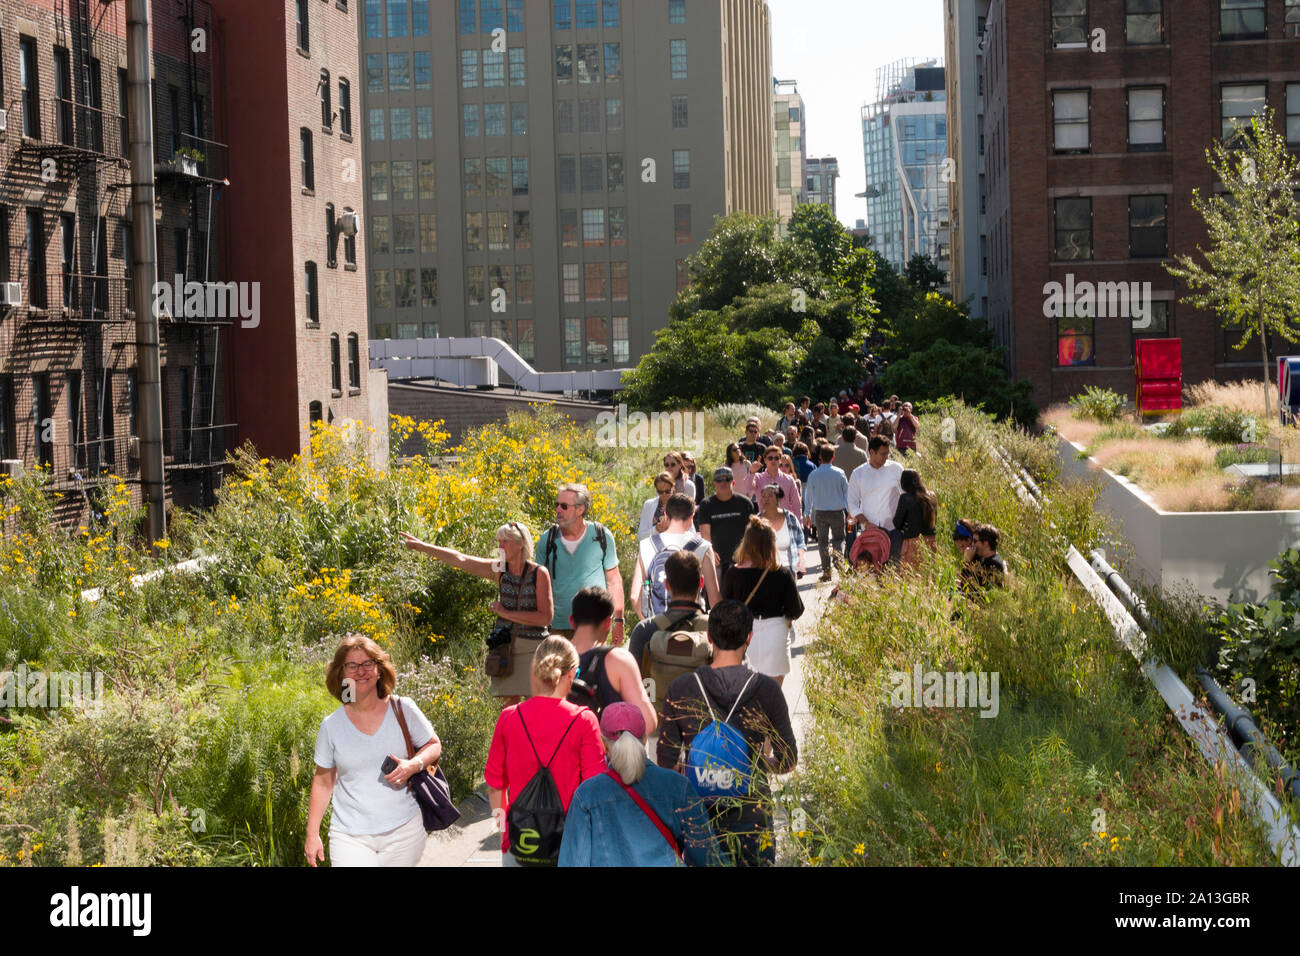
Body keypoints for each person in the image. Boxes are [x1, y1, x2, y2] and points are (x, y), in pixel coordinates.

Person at [656, 600, 798, 867]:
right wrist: (757, 762)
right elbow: (788, 760)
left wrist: (701, 771)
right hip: (752, 819)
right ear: (749, 637)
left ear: (709, 637)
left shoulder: (681, 688)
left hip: (699, 819)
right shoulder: (766, 690)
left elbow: (666, 763)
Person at [307, 634, 443, 867]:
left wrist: (413, 765)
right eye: (352, 665)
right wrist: (312, 834)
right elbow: (323, 781)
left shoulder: (403, 709)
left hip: (404, 830)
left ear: (379, 669)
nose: (361, 671)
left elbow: (434, 745)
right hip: (349, 835)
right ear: (341, 673)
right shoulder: (332, 725)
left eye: (368, 663)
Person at [485, 636, 606, 865]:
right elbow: (595, 790)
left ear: (535, 671)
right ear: (571, 675)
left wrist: (504, 834)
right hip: (569, 845)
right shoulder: (584, 720)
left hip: (520, 842)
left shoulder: (509, 717)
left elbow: (495, 787)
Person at [401, 522, 552, 704]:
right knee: (508, 709)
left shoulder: (539, 573)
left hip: (532, 649)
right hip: (506, 649)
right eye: (499, 541)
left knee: (535, 708)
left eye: (505, 541)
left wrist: (506, 613)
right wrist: (422, 546)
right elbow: (460, 559)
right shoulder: (499, 569)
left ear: (521, 544)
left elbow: (545, 617)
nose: (500, 546)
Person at [559, 702, 718, 867]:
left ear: (604, 744)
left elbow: (573, 862)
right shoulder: (679, 786)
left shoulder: (587, 795)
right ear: (644, 739)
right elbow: (709, 858)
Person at [721, 518, 803, 686]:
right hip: (775, 634)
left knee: (745, 691)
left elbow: (726, 606)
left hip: (744, 636)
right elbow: (795, 609)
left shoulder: (733, 573)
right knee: (773, 694)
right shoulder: (782, 574)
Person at [540, 483, 625, 645]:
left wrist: (618, 620)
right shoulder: (547, 539)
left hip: (594, 625)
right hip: (557, 628)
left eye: (564, 506)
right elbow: (539, 583)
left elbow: (614, 580)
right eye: (556, 504)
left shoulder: (602, 536)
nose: (558, 509)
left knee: (591, 670)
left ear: (580, 510)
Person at [567, 586, 657, 732]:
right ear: (608, 623)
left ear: (571, 621)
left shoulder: (550, 657)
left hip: (556, 752)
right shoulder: (618, 660)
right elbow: (648, 722)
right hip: (604, 752)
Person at [631, 493, 720, 619]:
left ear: (666, 515)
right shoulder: (704, 547)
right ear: (692, 516)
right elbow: (715, 599)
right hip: (692, 629)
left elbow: (635, 597)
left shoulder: (646, 545)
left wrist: (649, 623)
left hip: (657, 628)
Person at [847, 436, 905, 563]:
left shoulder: (896, 469)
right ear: (872, 452)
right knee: (872, 571)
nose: (886, 457)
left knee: (894, 568)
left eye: (887, 454)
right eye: (883, 454)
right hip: (869, 532)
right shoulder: (858, 473)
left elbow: (905, 495)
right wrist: (865, 522)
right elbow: (851, 502)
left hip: (893, 530)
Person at [697, 466, 757, 584]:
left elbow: (752, 532)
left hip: (742, 559)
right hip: (717, 561)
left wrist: (750, 554)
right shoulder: (706, 505)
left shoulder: (745, 503)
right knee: (718, 598)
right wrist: (711, 553)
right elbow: (705, 534)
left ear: (733, 482)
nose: (723, 483)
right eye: (719, 480)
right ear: (714, 484)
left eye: (727, 479)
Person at [803, 443, 849, 581]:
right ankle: (839, 561)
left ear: (820, 457)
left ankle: (826, 571)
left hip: (821, 512)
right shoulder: (840, 473)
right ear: (833, 457)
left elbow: (808, 495)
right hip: (837, 511)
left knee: (822, 542)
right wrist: (849, 511)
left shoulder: (814, 474)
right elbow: (847, 493)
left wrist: (807, 513)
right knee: (839, 539)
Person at [757, 483, 806, 576]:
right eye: (763, 496)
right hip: (764, 571)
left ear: (778, 499)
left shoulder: (790, 518)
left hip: (788, 569)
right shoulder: (757, 521)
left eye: (770, 496)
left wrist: (801, 559)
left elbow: (800, 542)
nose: (766, 499)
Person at [893, 469, 938, 567]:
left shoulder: (905, 498)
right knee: (929, 574)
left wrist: (903, 527)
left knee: (910, 575)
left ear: (903, 483)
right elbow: (935, 519)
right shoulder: (931, 496)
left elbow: (897, 523)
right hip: (931, 540)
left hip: (912, 541)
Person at [754, 443, 802, 518]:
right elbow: (746, 490)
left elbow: (796, 504)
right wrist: (751, 473)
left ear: (780, 461)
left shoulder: (789, 479)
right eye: (770, 458)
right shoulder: (758, 478)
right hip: (765, 522)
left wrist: (799, 523)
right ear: (765, 460)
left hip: (784, 521)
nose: (773, 460)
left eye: (776, 458)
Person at [961, 523, 1008, 591]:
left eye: (975, 541)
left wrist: (967, 561)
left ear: (986, 543)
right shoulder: (983, 559)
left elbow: (969, 590)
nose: (972, 544)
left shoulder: (993, 564)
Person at [637, 472, 675, 541]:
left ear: (673, 488)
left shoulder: (681, 505)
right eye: (660, 491)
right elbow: (640, 536)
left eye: (667, 491)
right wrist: (656, 529)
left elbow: (690, 533)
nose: (664, 494)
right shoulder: (649, 505)